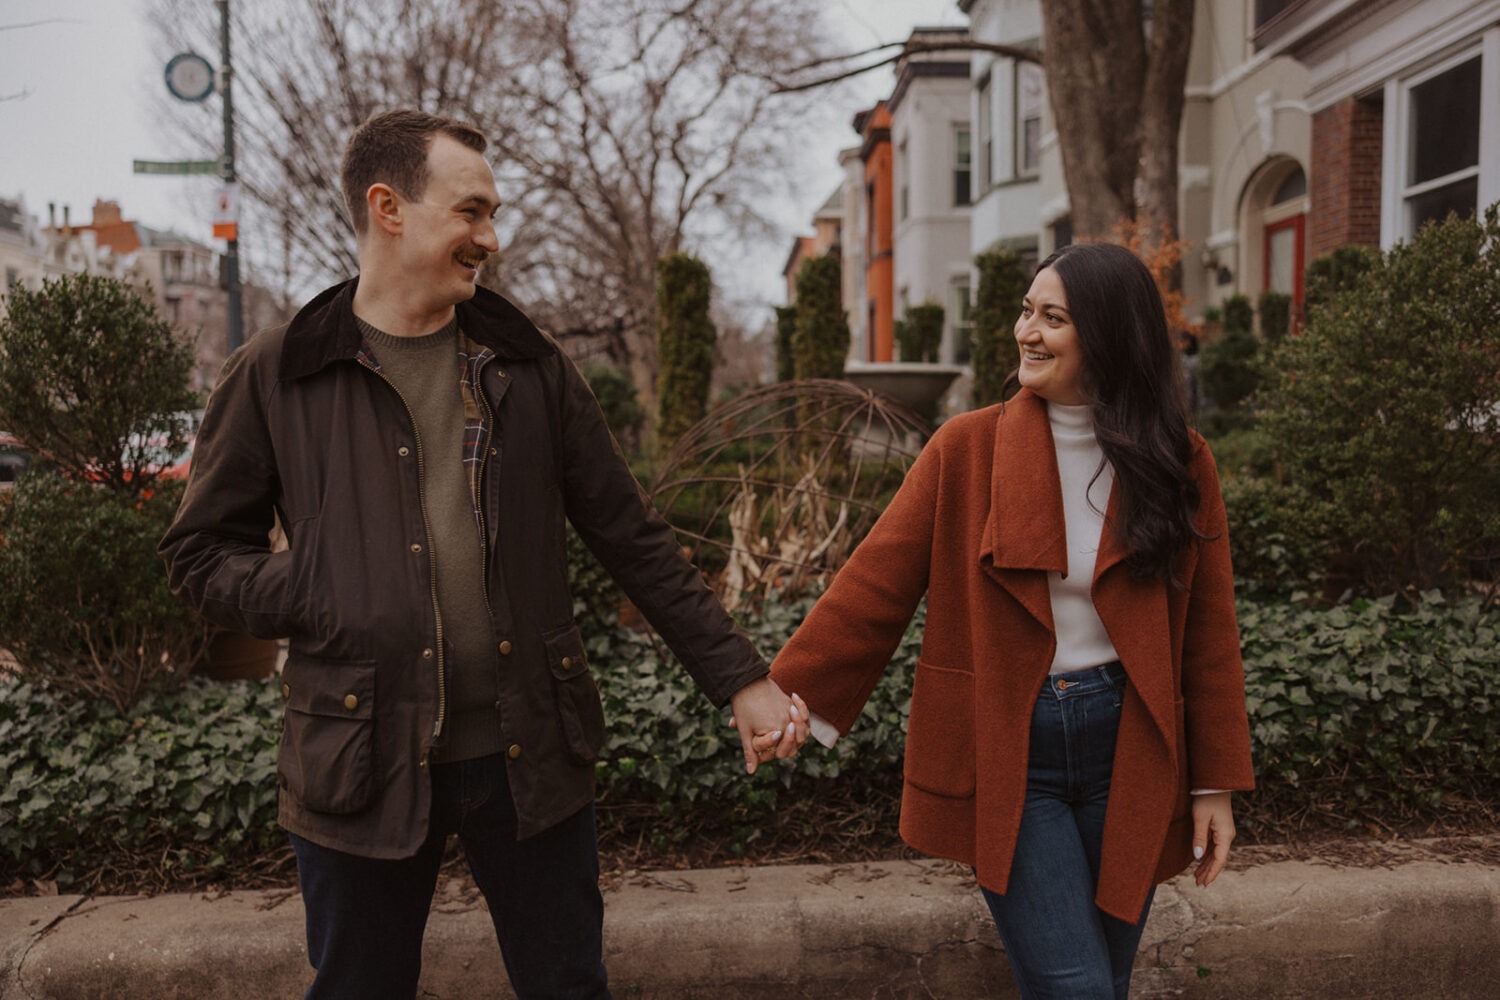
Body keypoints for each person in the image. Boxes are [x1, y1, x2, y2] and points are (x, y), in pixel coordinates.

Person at [159, 109, 802, 1000]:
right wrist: (315, 585)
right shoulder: (278, 372)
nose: (489, 238)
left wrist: (742, 678)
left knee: (570, 984)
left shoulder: (528, 366)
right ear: (389, 208)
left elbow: (632, 537)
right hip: (360, 757)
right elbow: (198, 555)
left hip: (529, 749)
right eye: (470, 212)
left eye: (491, 215)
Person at [762, 242, 1254, 999]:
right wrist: (788, 697)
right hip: (1011, 747)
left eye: (1052, 317)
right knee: (1077, 988)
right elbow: (876, 585)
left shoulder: (1178, 460)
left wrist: (1214, 782)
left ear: (1110, 335)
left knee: (1107, 982)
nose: (1027, 331)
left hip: (1133, 747)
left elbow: (1208, 633)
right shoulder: (967, 448)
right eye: (1027, 311)